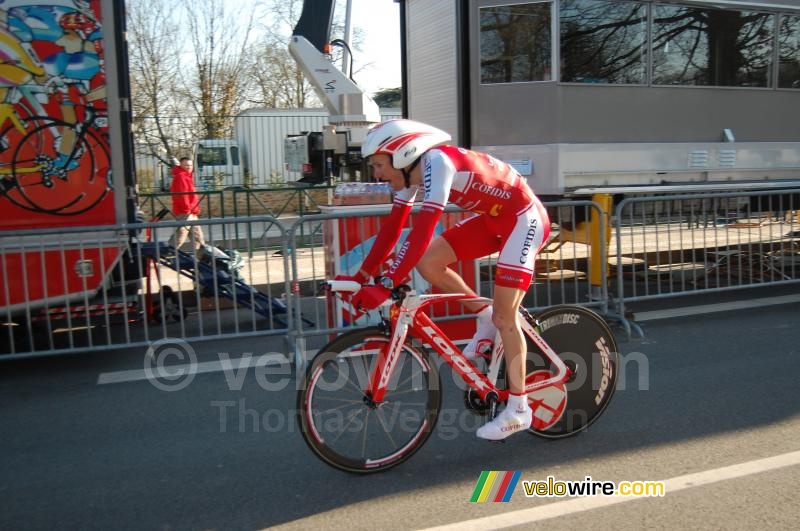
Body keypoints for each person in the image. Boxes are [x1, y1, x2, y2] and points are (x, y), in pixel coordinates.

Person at [341, 119, 550, 441]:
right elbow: (393, 229)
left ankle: (520, 408)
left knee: (506, 316)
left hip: (524, 220)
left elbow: (424, 229)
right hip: (493, 219)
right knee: (430, 263)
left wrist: (385, 284)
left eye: (380, 165)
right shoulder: (412, 175)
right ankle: (483, 315)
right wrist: (362, 276)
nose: (377, 174)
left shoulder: (437, 163)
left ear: (403, 154)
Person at [168, 156, 206, 252]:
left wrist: (193, 210)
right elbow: (182, 195)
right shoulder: (181, 176)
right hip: (185, 212)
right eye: (186, 165)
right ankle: (168, 252)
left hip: (191, 212)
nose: (189, 167)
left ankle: (202, 257)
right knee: (181, 235)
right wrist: (187, 210)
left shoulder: (186, 176)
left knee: (198, 236)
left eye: (190, 165)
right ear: (181, 165)